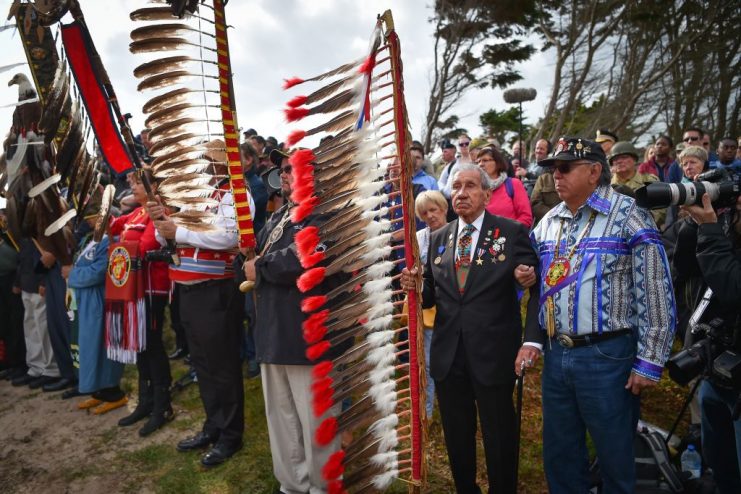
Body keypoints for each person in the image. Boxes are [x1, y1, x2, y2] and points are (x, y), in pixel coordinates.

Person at [518, 137, 676, 494]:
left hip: (608, 356)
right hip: (558, 355)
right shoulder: (548, 222)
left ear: (593, 172)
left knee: (614, 456)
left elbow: (654, 289)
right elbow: (535, 283)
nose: (555, 176)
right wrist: (525, 275)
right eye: (552, 169)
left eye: (564, 168)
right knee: (560, 454)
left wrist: (649, 360)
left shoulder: (628, 215)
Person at [401, 164, 541, 494]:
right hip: (449, 355)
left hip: (493, 353)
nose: (461, 192)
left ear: (486, 195)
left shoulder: (510, 232)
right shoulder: (437, 239)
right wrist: (416, 285)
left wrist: (527, 277)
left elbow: (533, 281)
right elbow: (430, 295)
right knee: (457, 434)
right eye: (456, 186)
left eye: (470, 186)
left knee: (499, 434)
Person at [242, 153, 348, 493]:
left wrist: (259, 268)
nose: (284, 174)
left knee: (317, 424)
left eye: (292, 168)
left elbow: (304, 258)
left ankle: (323, 488)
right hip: (273, 334)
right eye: (282, 169)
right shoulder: (278, 218)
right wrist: (245, 262)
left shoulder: (331, 213)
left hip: (311, 338)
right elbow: (251, 259)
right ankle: (292, 486)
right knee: (283, 422)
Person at [149, 170, 245, 467]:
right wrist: (160, 221)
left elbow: (229, 237)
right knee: (202, 363)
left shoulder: (232, 195)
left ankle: (230, 434)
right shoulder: (192, 199)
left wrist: (176, 231)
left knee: (222, 365)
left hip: (215, 290)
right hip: (188, 291)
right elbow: (166, 240)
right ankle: (213, 425)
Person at [681, 193, 741, 494]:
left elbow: (733, 288)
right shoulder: (729, 223)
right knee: (721, 464)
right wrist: (697, 225)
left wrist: (710, 230)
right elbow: (685, 265)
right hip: (718, 368)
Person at [111, 170, 173, 437]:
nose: (132, 186)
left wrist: (123, 242)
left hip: (151, 288)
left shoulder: (158, 211)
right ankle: (145, 401)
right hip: (133, 287)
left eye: (137, 182)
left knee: (152, 343)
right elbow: (114, 226)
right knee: (140, 345)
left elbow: (147, 244)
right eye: (132, 183)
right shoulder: (137, 212)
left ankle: (162, 405)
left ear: (153, 185)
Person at [66, 208, 126, 414]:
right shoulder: (89, 240)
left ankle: (113, 391)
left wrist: (72, 274)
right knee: (90, 346)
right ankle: (98, 389)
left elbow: (98, 272)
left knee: (101, 344)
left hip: (99, 299)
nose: (90, 222)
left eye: (94, 218)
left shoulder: (110, 240)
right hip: (86, 301)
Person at [413, 190, 449, 420]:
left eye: (433, 210)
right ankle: (425, 413)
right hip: (427, 307)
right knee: (426, 360)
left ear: (444, 208)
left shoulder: (457, 232)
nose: (430, 216)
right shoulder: (419, 237)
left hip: (452, 306)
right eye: (424, 213)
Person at [11, 238, 60, 388]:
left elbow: (45, 255)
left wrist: (43, 281)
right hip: (27, 283)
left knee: (43, 329)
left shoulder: (38, 227)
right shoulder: (25, 232)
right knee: (31, 328)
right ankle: (36, 366)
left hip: (38, 284)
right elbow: (23, 257)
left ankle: (51, 368)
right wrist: (18, 281)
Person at [608, 141, 665, 227]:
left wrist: (641, 224)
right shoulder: (607, 186)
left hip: (646, 230)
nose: (619, 161)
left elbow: (660, 210)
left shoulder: (649, 180)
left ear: (634, 159)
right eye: (615, 159)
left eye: (624, 157)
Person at [477, 147, 533, 228]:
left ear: (497, 163)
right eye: (478, 161)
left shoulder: (513, 184)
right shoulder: (476, 188)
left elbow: (526, 217)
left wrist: (504, 233)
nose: (480, 164)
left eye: (485, 160)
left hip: (510, 237)